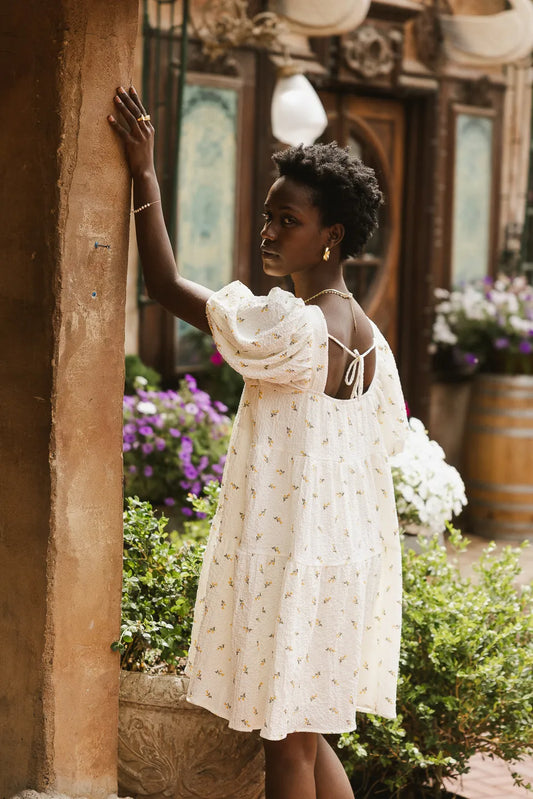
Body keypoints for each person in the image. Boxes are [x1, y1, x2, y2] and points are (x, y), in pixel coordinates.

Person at [109, 85, 408, 799]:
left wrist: (144, 173)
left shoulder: (293, 327)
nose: (269, 231)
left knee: (286, 750)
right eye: (268, 215)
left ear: (330, 233)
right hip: (343, 559)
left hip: (298, 561)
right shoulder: (372, 343)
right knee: (304, 737)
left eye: (288, 219)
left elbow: (162, 284)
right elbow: (380, 445)